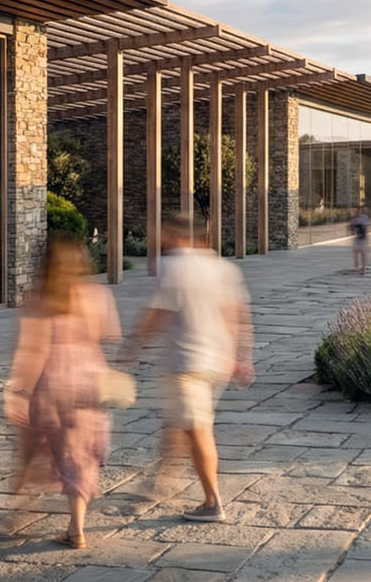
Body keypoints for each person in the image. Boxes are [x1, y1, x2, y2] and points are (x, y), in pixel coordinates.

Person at [124, 215, 253, 523]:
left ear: (178, 235)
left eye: (166, 233)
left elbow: (155, 315)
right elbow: (237, 314)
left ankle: (212, 502)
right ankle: (165, 478)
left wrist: (132, 347)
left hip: (186, 363)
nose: (162, 239)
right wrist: (239, 357)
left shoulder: (172, 266)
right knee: (180, 421)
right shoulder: (223, 267)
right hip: (216, 363)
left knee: (197, 430)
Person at [4, 234, 122, 549]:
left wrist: (18, 391)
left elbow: (33, 351)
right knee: (80, 457)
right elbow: (108, 335)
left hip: (51, 385)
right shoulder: (98, 295)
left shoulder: (41, 299)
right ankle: (77, 528)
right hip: (89, 383)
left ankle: (18, 508)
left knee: (32, 449)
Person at [347, 207, 370, 274]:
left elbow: (368, 225)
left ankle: (363, 267)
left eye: (359, 211)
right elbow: (350, 227)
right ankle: (356, 267)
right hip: (356, 238)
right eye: (357, 211)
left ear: (361, 211)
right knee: (355, 253)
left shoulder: (365, 218)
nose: (358, 212)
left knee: (363, 253)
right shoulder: (353, 219)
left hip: (363, 237)